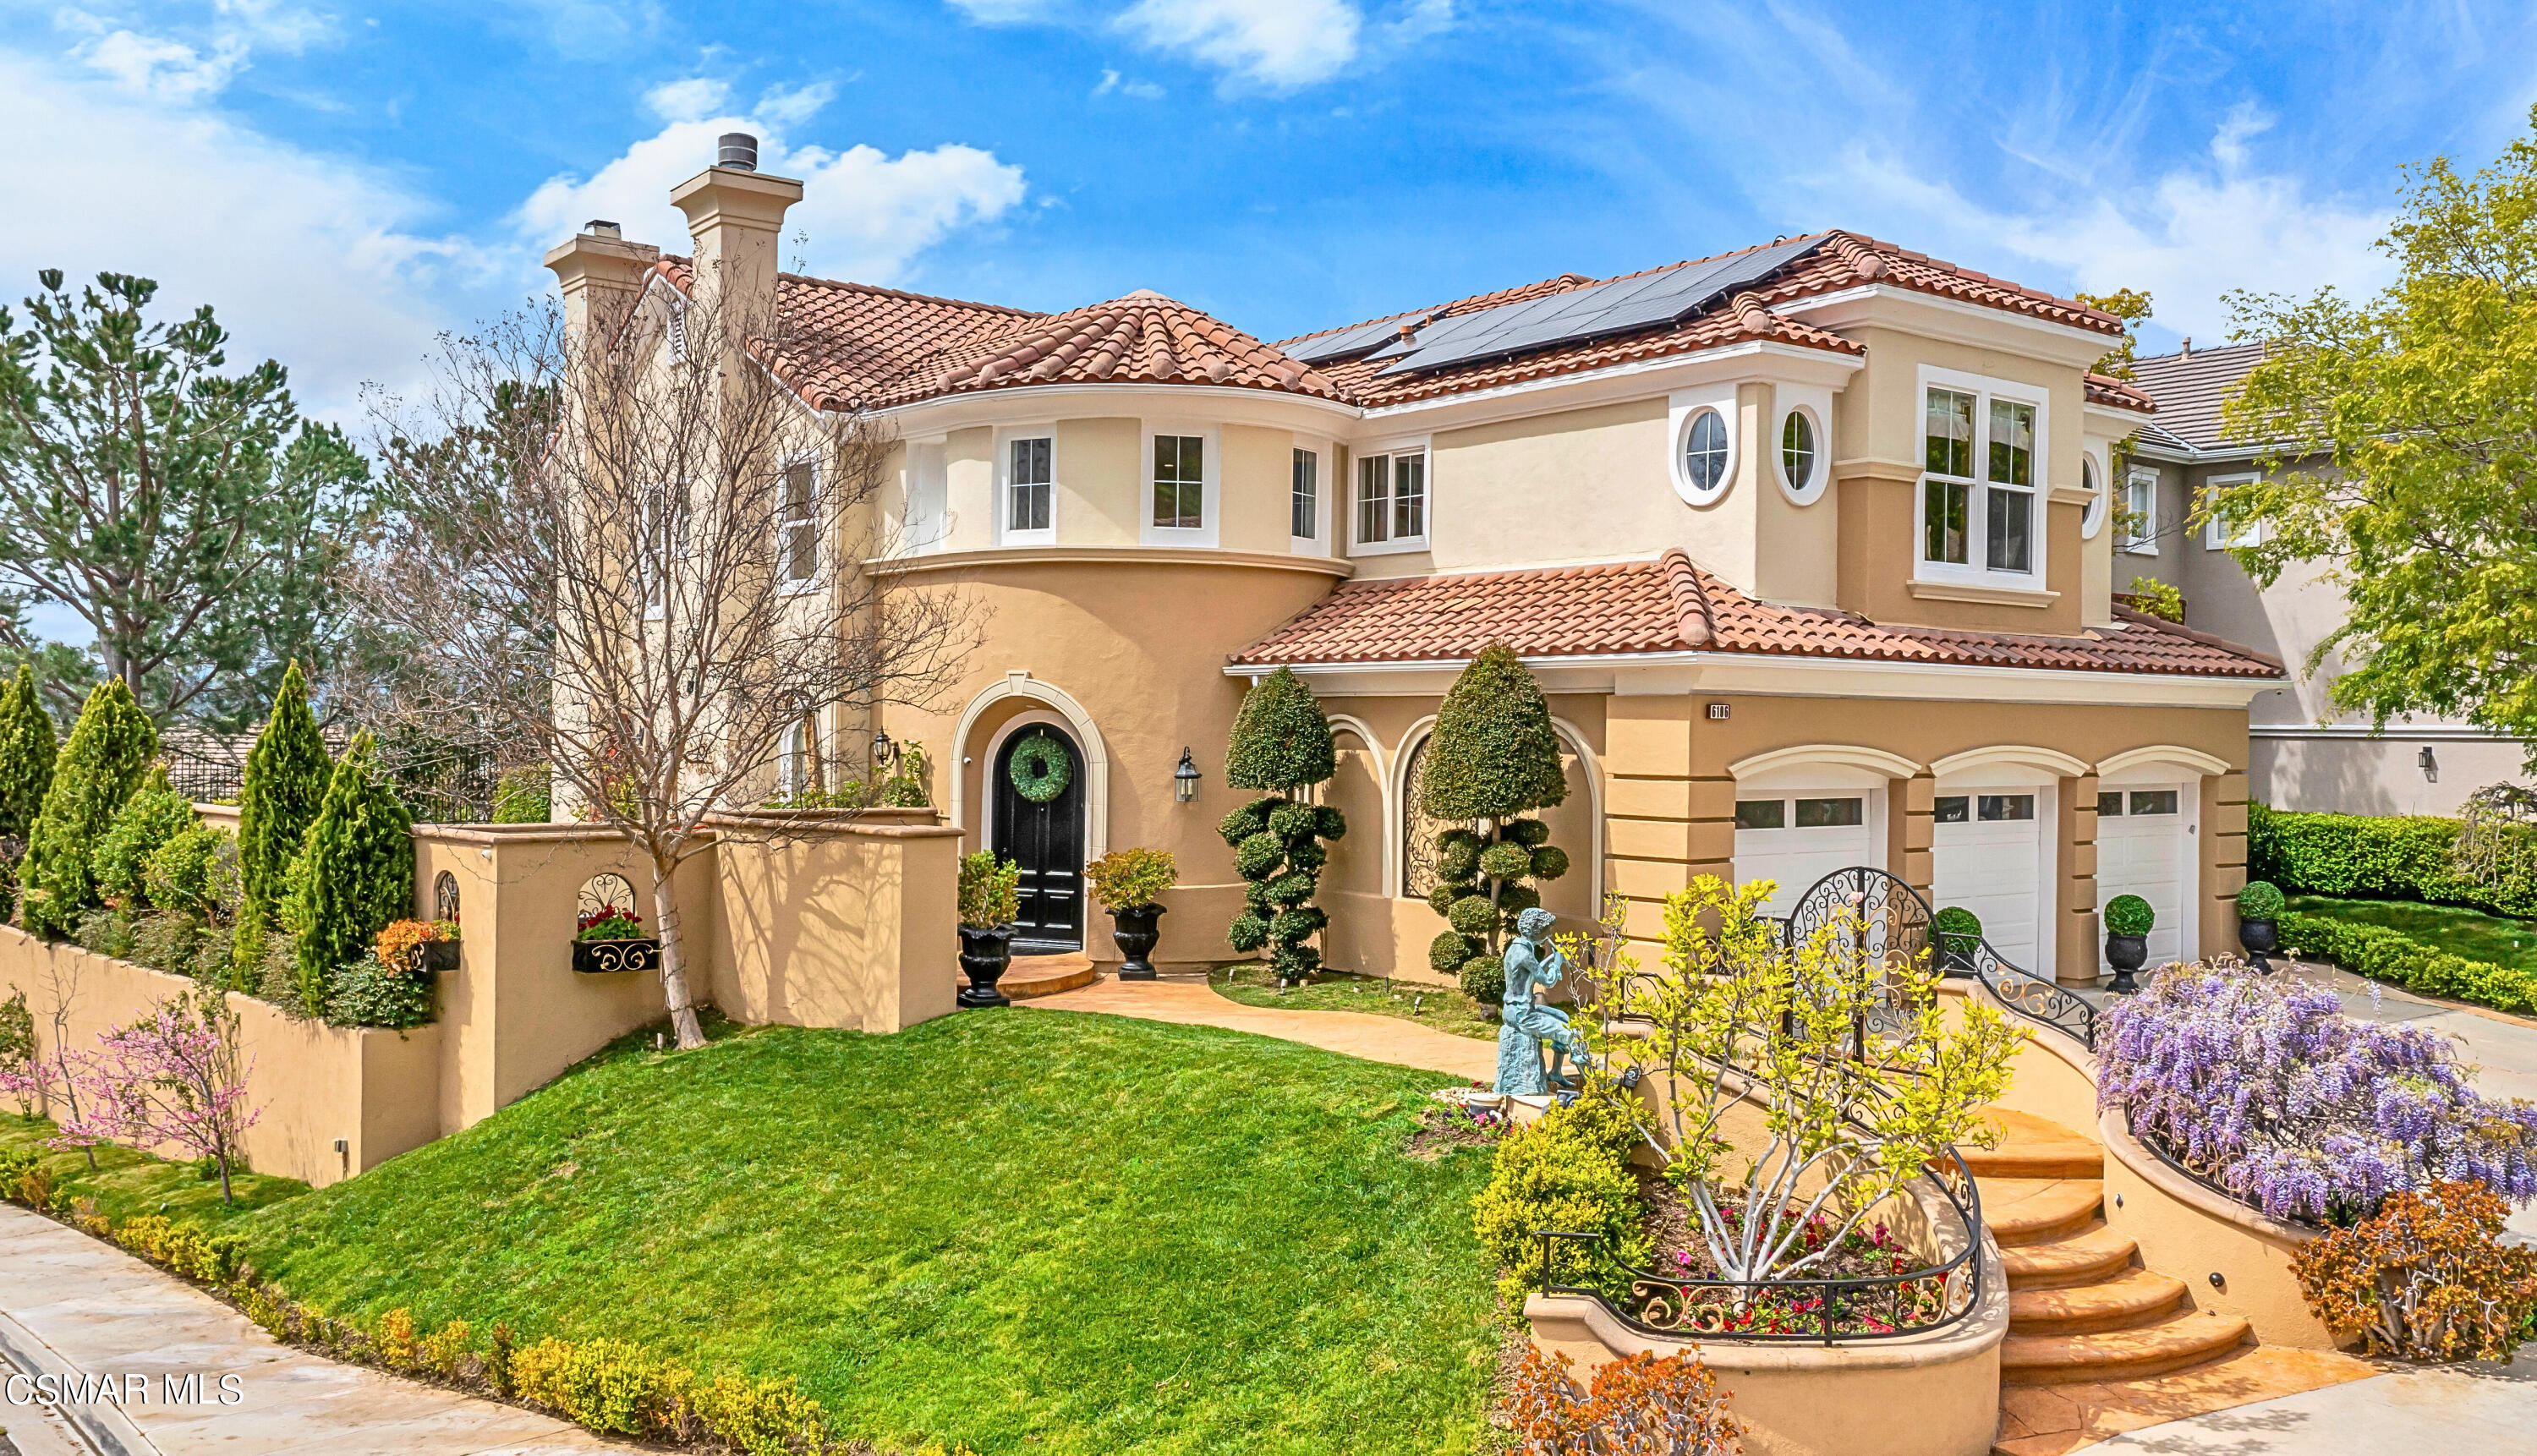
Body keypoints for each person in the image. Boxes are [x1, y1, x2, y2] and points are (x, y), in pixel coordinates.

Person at [1494, 906, 1592, 1095]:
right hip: (1522, 1015)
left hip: (1516, 1010)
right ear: (1536, 930)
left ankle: (1555, 1072)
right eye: (1547, 930)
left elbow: (1534, 971)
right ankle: (1593, 1086)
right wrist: (1557, 961)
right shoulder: (1524, 954)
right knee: (1573, 1034)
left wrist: (1552, 960)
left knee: (1563, 1017)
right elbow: (1548, 981)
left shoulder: (1517, 948)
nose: (1550, 934)